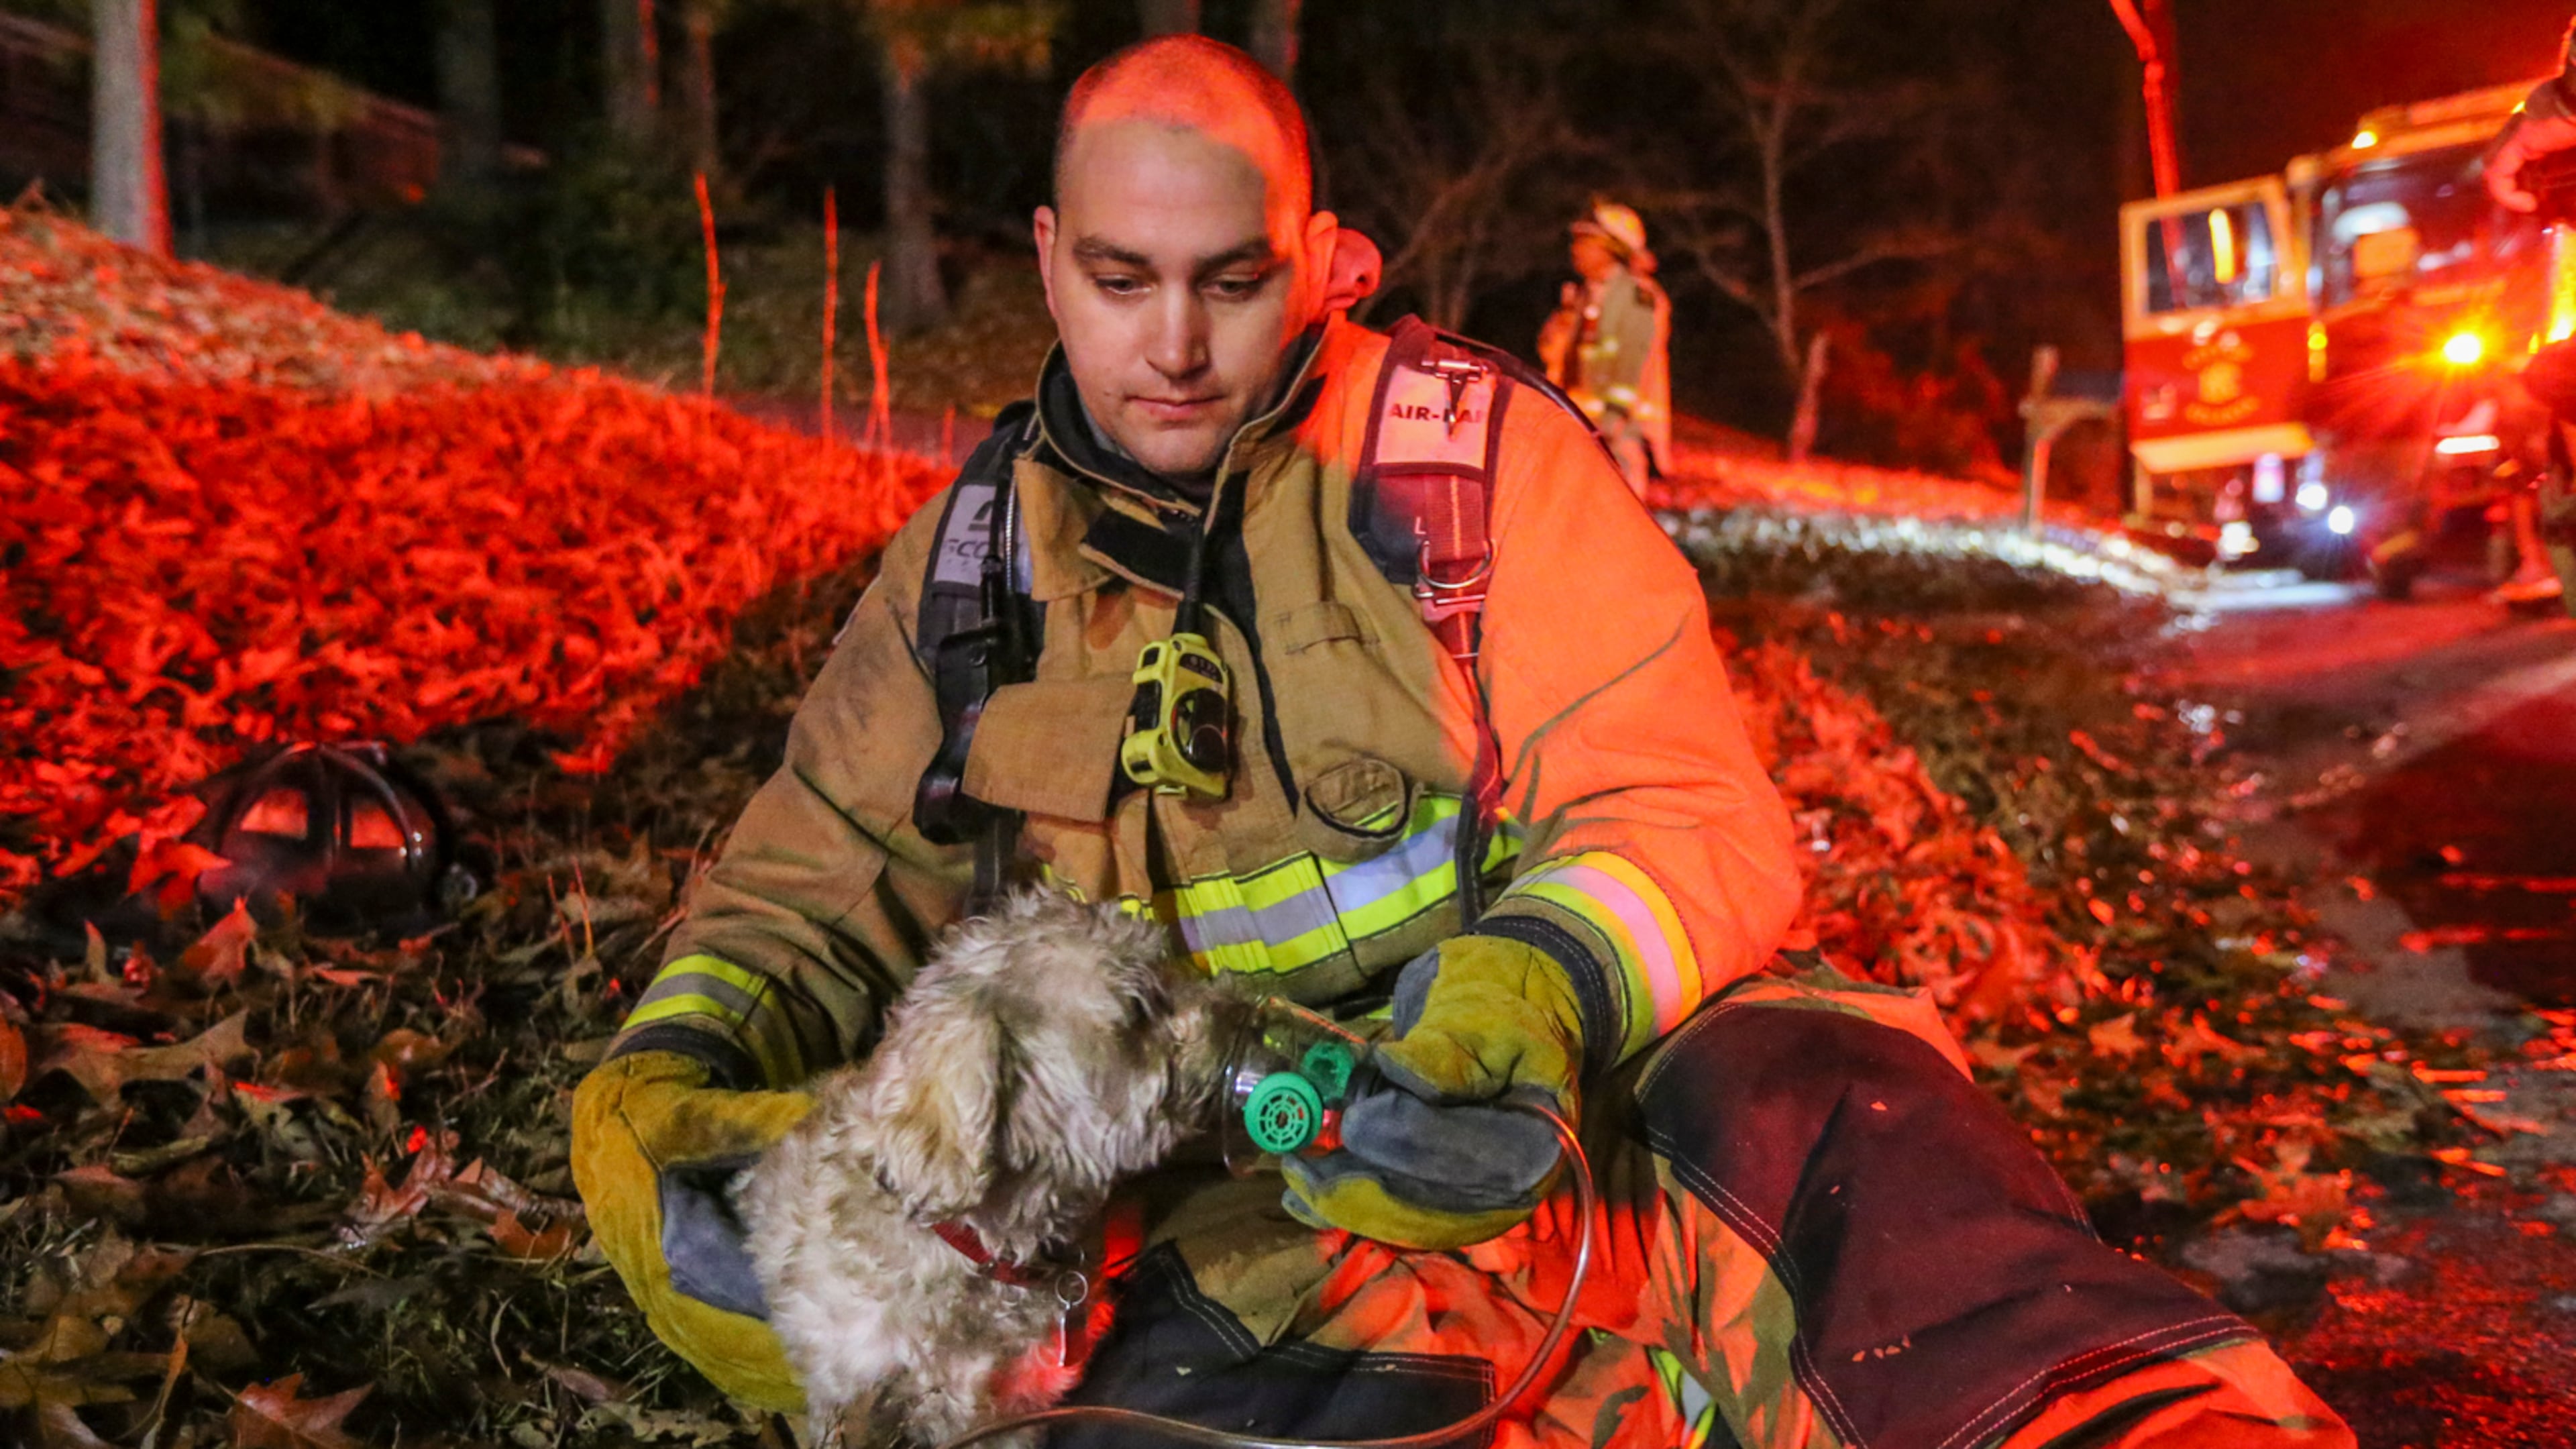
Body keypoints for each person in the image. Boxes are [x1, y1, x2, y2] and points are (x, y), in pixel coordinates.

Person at [572, 35, 2353, 1448]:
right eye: (1123, 282)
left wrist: (1526, 1002)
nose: (1177, 346)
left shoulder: (1471, 469)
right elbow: (800, 894)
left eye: (1232, 281)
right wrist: (669, 1106)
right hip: (1226, 1236)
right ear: (1048, 263)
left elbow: (1682, 806)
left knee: (1839, 1106)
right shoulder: (963, 577)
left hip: (1588, 1156)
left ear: (1324, 261)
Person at [1537, 201, 1672, 496]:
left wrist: (1614, 417)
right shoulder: (1584, 296)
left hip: (1621, 432)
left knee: (1621, 509)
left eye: (1587, 241)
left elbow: (1635, 362)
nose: (1576, 249)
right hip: (1582, 426)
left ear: (1612, 248)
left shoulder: (1638, 298)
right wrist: (1563, 323)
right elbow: (1552, 355)